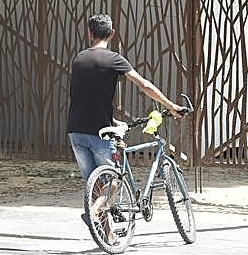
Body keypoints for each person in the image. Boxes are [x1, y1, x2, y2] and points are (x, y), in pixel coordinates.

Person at [68, 14, 186, 240]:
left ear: (89, 33)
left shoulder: (79, 59)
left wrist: (113, 121)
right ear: (111, 34)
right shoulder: (114, 59)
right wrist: (171, 106)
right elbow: (144, 85)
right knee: (114, 180)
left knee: (95, 185)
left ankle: (108, 235)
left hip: (75, 130)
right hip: (99, 133)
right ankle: (93, 211)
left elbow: (83, 97)